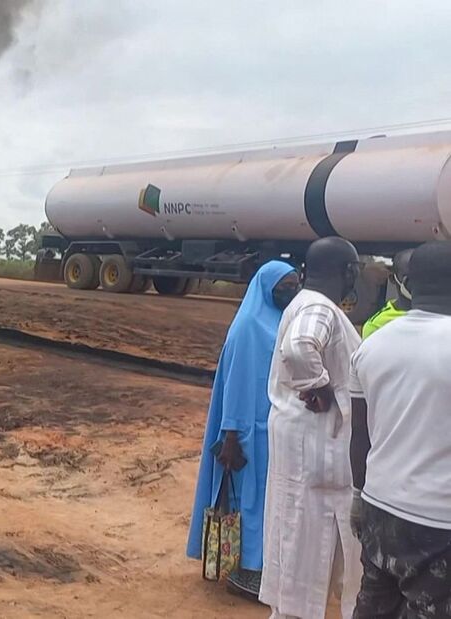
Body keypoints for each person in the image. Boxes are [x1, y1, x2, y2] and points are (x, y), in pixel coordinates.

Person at [260, 236, 364, 619]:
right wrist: (317, 385)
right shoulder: (318, 307)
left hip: (307, 460)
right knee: (307, 560)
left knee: (299, 559)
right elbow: (300, 346)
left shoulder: (306, 303)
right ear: (349, 272)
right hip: (317, 461)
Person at [349, 240, 451, 617]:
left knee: (375, 608)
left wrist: (359, 496)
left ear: (407, 283)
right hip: (439, 522)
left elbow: (360, 436)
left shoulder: (372, 344)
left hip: (379, 508)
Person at [187, 260, 299, 598]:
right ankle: (246, 573)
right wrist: (231, 436)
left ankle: (261, 567)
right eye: (286, 285)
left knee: (266, 500)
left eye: (295, 284)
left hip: (272, 428)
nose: (292, 291)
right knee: (247, 500)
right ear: (267, 287)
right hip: (246, 432)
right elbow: (234, 385)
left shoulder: (282, 322)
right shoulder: (248, 326)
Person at [361, 248, 413, 338]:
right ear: (392, 278)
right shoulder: (377, 325)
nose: (414, 282)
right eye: (408, 277)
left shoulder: (440, 311)